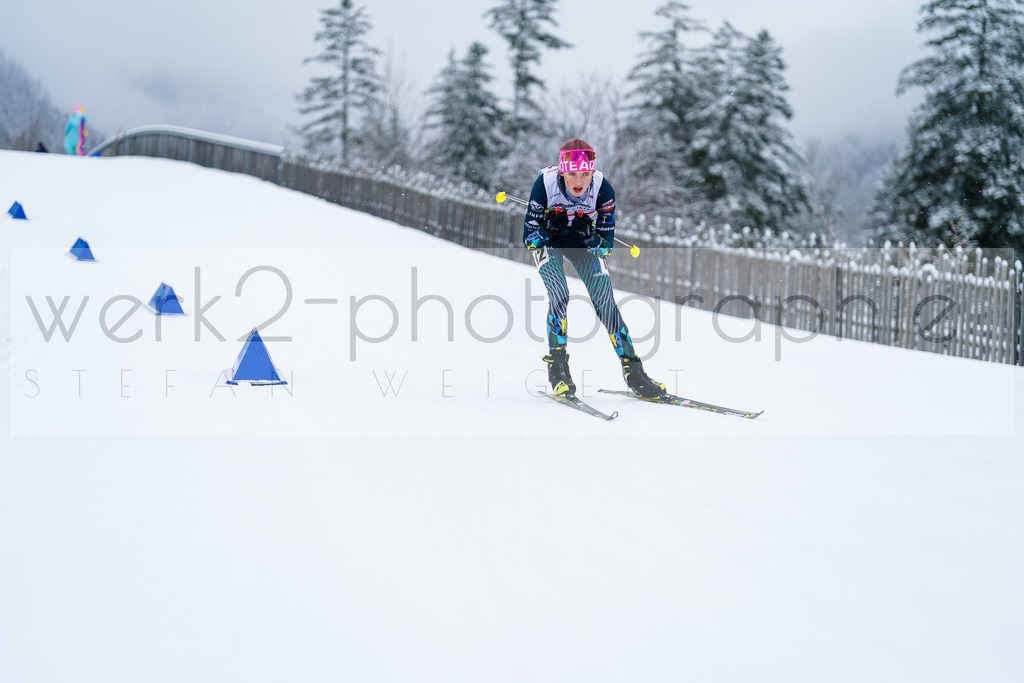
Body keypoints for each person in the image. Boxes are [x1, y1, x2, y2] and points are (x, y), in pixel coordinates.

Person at [523, 138, 666, 398]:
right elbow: (529, 241)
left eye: (586, 173)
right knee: (560, 294)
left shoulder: (603, 189)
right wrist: (547, 228)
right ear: (563, 171)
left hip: (582, 245)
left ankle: (634, 373)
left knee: (605, 304)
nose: (579, 181)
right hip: (550, 243)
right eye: (573, 174)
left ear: (593, 172)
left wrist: (589, 235)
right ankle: (558, 370)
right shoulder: (544, 185)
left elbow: (605, 248)